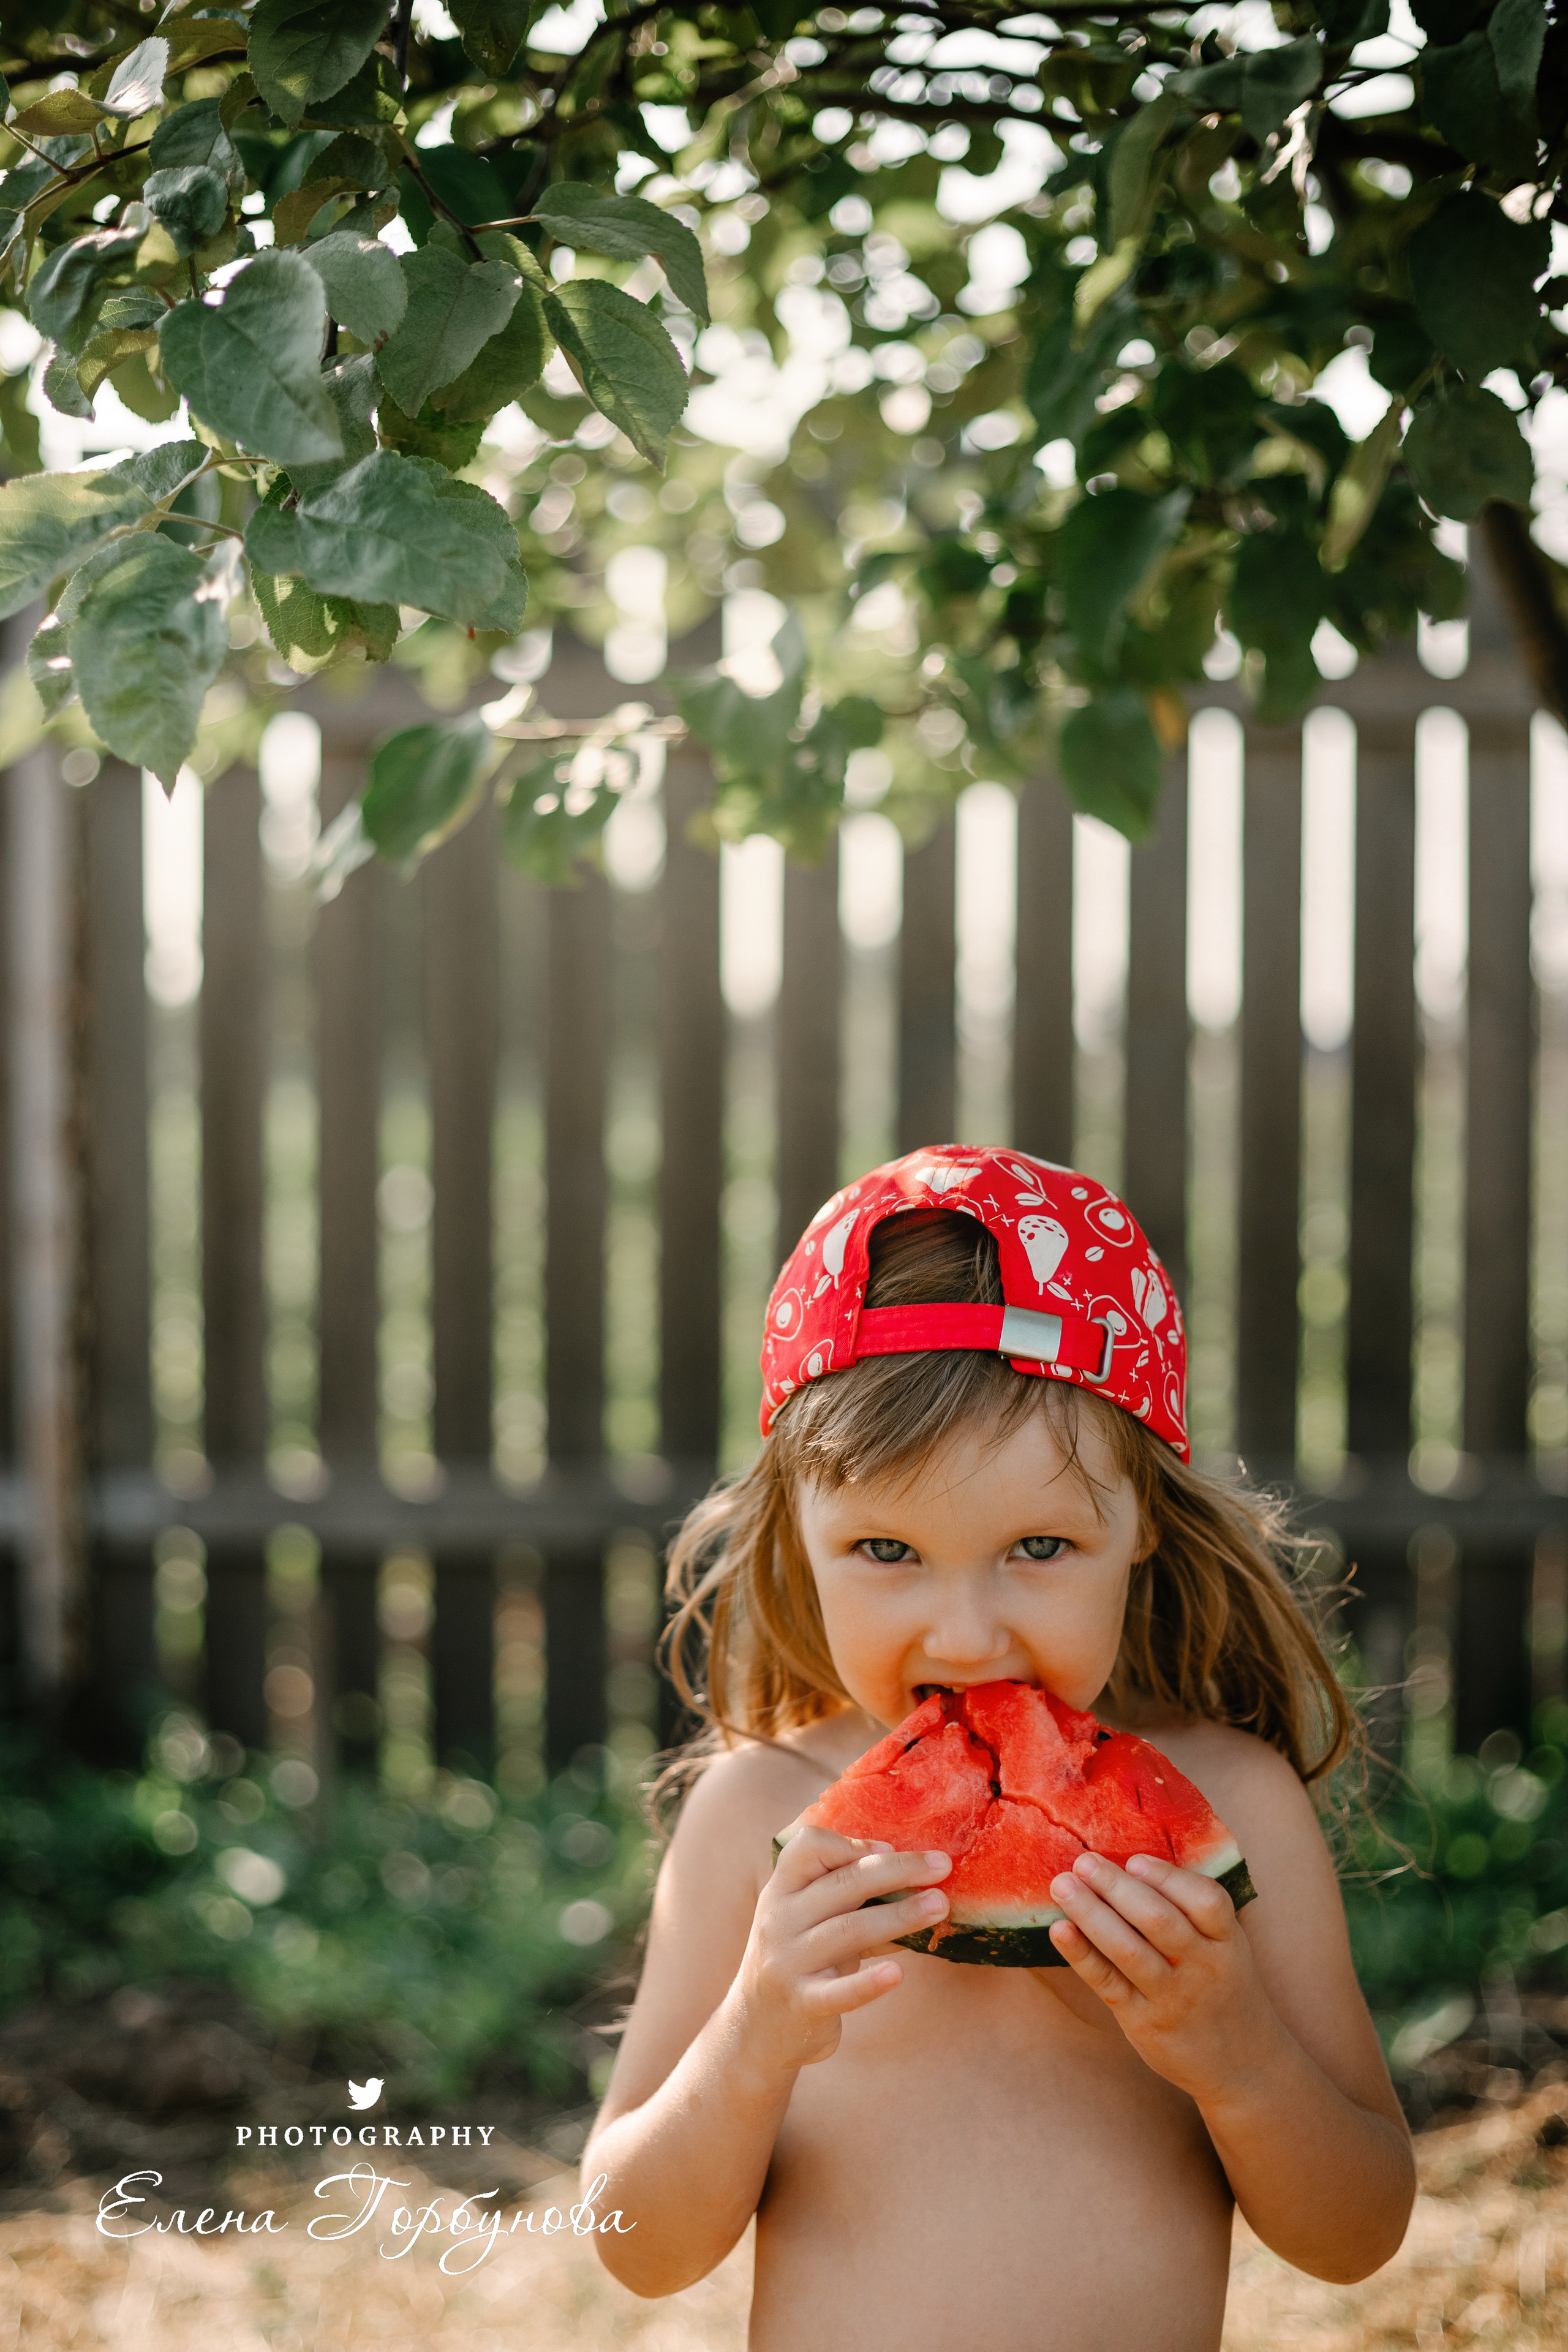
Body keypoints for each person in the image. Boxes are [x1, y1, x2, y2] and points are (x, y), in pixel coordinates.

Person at [580, 1145, 1416, 2350]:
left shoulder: (1233, 1802)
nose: (965, 1636)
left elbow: (1356, 2234)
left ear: (1140, 1525)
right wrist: (751, 2036)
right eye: (885, 1552)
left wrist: (1240, 2061)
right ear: (794, 1535)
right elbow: (632, 2251)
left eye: (1036, 1548)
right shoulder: (751, 1819)